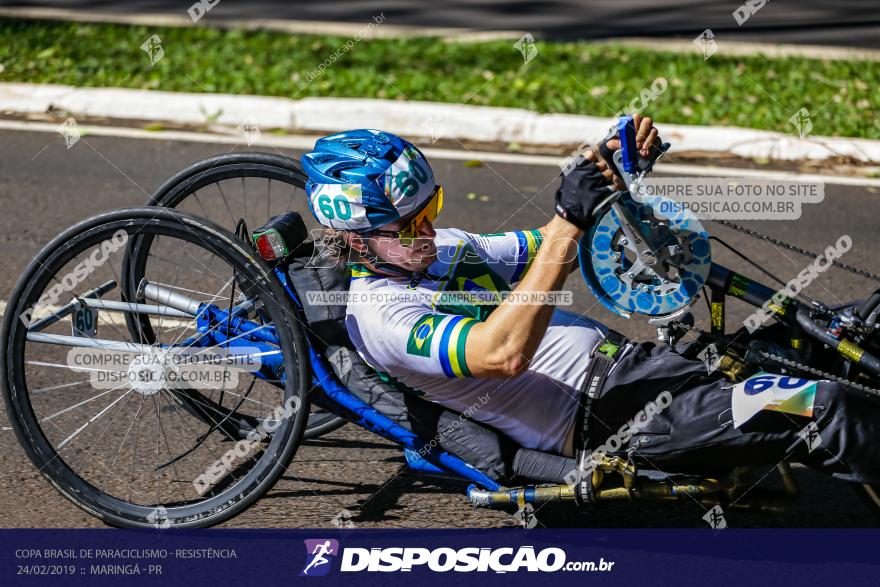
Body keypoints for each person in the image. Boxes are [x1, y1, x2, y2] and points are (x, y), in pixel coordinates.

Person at [300, 119, 880, 485]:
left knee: (849, 331)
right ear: (353, 238)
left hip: (650, 369)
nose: (427, 231)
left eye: (432, 210)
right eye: (408, 226)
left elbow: (554, 245)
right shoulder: (382, 316)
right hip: (616, 421)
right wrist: (566, 221)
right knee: (822, 404)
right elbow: (500, 353)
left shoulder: (436, 250)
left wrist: (608, 182)